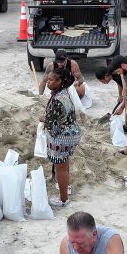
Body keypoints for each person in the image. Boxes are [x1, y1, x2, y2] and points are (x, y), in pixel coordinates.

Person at [41, 65, 84, 207]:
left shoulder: (57, 100)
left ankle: (63, 199)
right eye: (48, 80)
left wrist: (43, 119)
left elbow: (52, 125)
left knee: (60, 167)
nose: (48, 82)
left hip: (62, 137)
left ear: (60, 82)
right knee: (64, 165)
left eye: (51, 80)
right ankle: (65, 188)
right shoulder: (64, 93)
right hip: (72, 133)